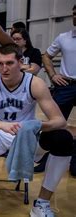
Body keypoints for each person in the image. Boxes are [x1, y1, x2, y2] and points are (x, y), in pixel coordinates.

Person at [0, 44, 74, 217]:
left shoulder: (35, 83)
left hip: (26, 136)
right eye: (0, 63)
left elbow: (59, 120)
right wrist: (2, 125)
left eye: (9, 63)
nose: (4, 68)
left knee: (64, 139)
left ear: (21, 62)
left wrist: (35, 125)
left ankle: (42, 203)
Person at [37, 5, 76, 176]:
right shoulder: (64, 38)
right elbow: (46, 55)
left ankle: (74, 162)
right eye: (74, 14)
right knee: (54, 123)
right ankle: (47, 158)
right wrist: (52, 75)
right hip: (66, 85)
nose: (75, 17)